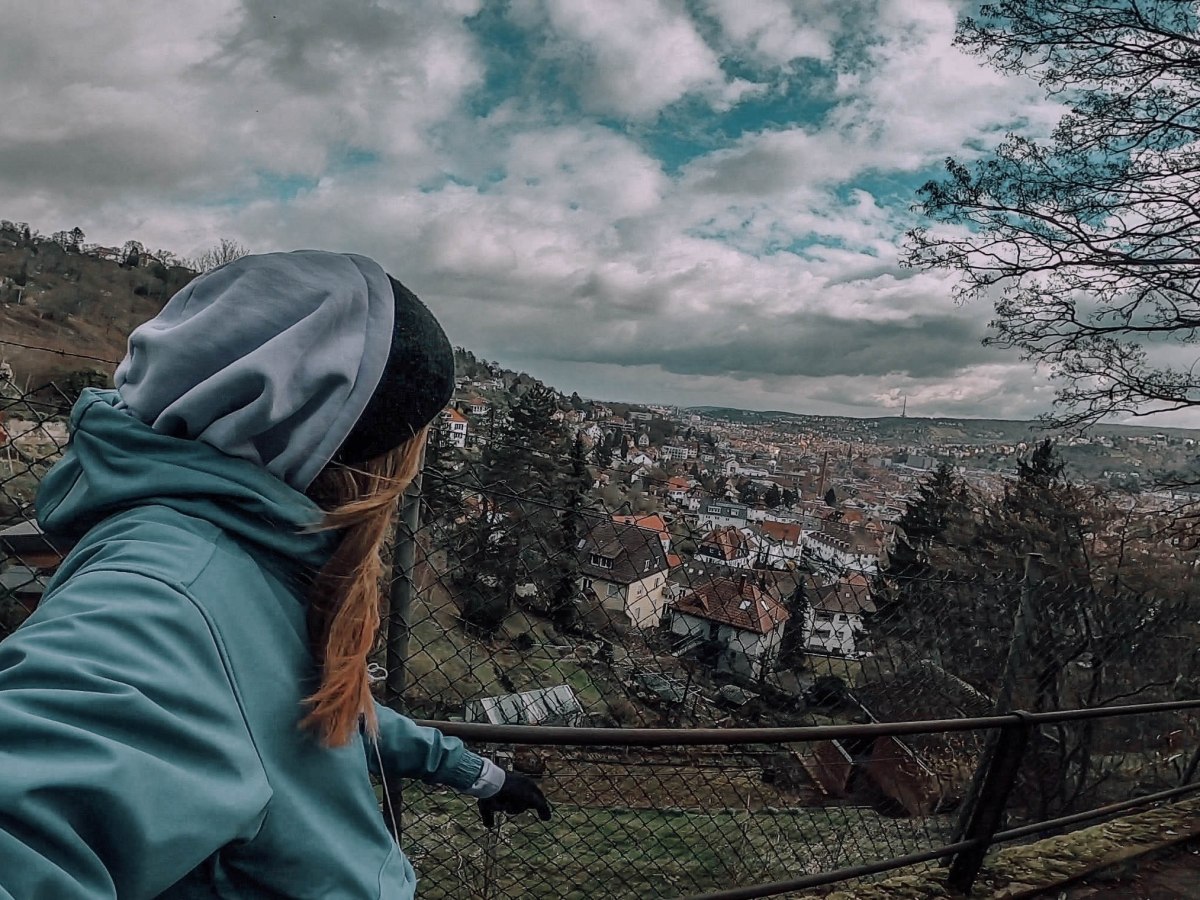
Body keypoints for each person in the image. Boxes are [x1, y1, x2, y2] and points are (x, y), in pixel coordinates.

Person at [0, 250, 551, 898]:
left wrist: (479, 775)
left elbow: (309, 712)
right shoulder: (172, 588)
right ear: (351, 450)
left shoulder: (248, 561)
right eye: (412, 447)